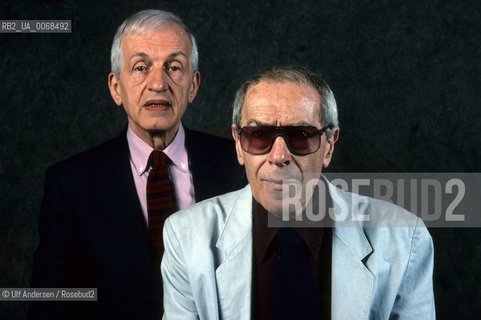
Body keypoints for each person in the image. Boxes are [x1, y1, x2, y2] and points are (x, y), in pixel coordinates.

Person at [161, 65, 435, 319]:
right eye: (259, 136)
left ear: (328, 145)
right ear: (238, 144)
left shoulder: (405, 238)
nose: (279, 156)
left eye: (301, 136)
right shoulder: (186, 237)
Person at [28, 9, 244, 320]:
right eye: (141, 67)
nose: (158, 83)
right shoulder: (70, 185)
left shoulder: (240, 165)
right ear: (116, 87)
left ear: (193, 86)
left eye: (174, 67)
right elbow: (49, 308)